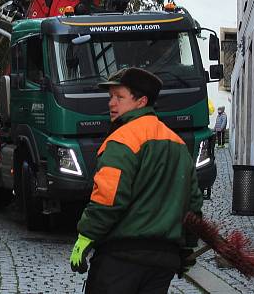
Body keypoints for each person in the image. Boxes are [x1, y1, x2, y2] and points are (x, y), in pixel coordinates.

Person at [69, 67, 204, 294]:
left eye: (120, 97)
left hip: (121, 258)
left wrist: (86, 236)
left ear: (141, 101)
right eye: (110, 97)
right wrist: (186, 248)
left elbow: (108, 198)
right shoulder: (178, 144)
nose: (111, 103)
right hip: (163, 261)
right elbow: (192, 205)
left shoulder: (122, 140)